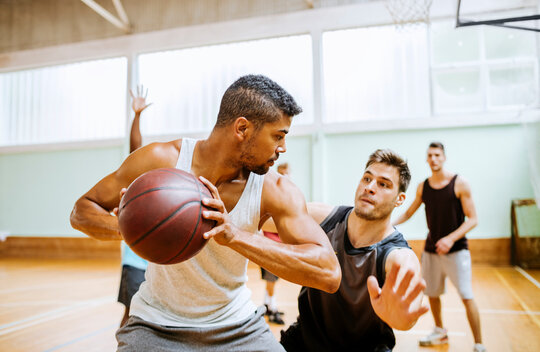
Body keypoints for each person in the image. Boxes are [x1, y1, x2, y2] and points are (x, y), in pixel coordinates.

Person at [70, 74, 341, 352]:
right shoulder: (162, 160)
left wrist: (235, 236)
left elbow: (329, 273)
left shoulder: (274, 189)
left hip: (238, 325)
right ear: (242, 129)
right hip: (155, 324)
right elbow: (81, 210)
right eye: (278, 136)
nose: (282, 148)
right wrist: (129, 227)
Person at [268, 149, 429, 351]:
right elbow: (262, 219)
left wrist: (402, 319)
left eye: (383, 184)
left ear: (399, 199)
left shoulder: (398, 257)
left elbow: (408, 313)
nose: (370, 187)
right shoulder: (325, 218)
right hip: (305, 342)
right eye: (367, 178)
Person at [393, 142, 485, 352]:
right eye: (430, 155)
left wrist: (451, 239)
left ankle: (479, 343)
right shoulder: (422, 186)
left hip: (457, 250)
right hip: (431, 250)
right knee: (432, 294)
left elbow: (473, 219)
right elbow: (408, 213)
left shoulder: (460, 183)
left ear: (443, 157)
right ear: (427, 159)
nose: (433, 159)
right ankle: (440, 331)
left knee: (467, 295)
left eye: (437, 155)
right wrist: (388, 224)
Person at [117, 86, 152, 327]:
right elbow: (135, 150)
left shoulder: (170, 192)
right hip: (135, 262)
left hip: (157, 264)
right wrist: (137, 116)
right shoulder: (138, 182)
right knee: (131, 316)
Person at [260, 162, 290, 325]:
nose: (286, 176)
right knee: (271, 280)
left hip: (279, 246)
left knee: (272, 281)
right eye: (282, 173)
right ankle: (272, 309)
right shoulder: (272, 195)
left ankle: (267, 304)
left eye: (288, 173)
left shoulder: (287, 196)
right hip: (270, 246)